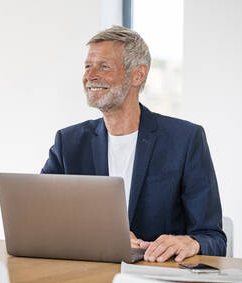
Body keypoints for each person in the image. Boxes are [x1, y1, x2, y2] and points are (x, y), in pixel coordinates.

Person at [41, 26, 226, 262]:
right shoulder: (68, 143)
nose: (90, 76)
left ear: (137, 75)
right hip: (86, 277)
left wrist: (191, 242)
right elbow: (43, 223)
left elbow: (214, 237)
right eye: (88, 66)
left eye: (104, 66)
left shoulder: (186, 140)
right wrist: (100, 237)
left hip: (158, 280)